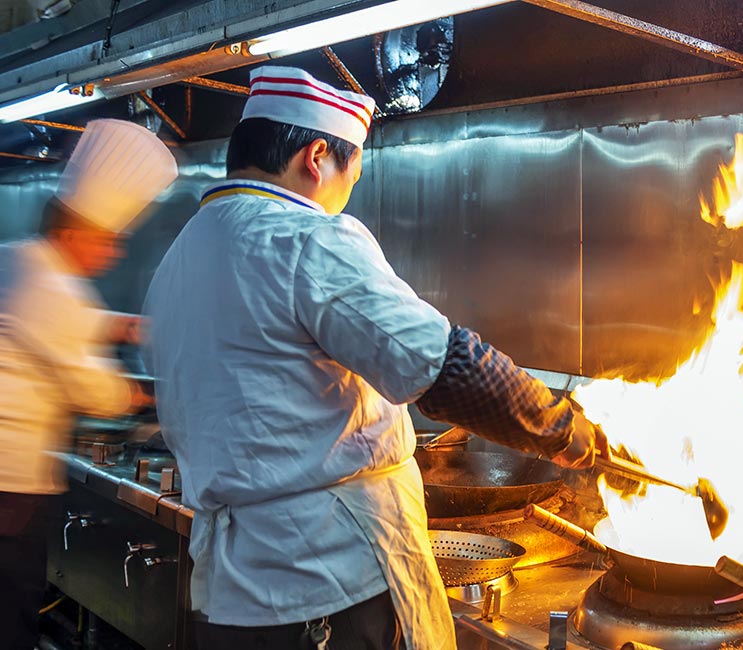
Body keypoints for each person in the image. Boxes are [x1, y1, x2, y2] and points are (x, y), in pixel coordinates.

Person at [141, 66, 606, 650]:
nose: (346, 194)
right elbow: (443, 366)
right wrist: (564, 431)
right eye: (351, 175)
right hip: (325, 588)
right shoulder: (305, 240)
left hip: (234, 593)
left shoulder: (182, 255)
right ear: (317, 157)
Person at [0, 119, 178, 650]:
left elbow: (54, 324)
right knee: (9, 624)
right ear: (73, 235)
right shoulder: (52, 286)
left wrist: (126, 325)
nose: (114, 253)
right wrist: (158, 394)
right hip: (10, 497)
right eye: (108, 241)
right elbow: (97, 393)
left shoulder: (18, 257)